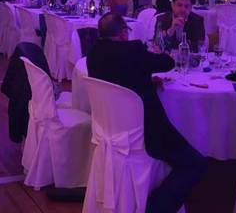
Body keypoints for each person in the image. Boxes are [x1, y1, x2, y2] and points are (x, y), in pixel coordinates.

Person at [87, 13, 207, 212]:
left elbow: (117, 77)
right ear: (123, 33)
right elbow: (167, 63)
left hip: (111, 129)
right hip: (145, 134)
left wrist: (145, 80)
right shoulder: (132, 51)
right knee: (196, 164)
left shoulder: (93, 53)